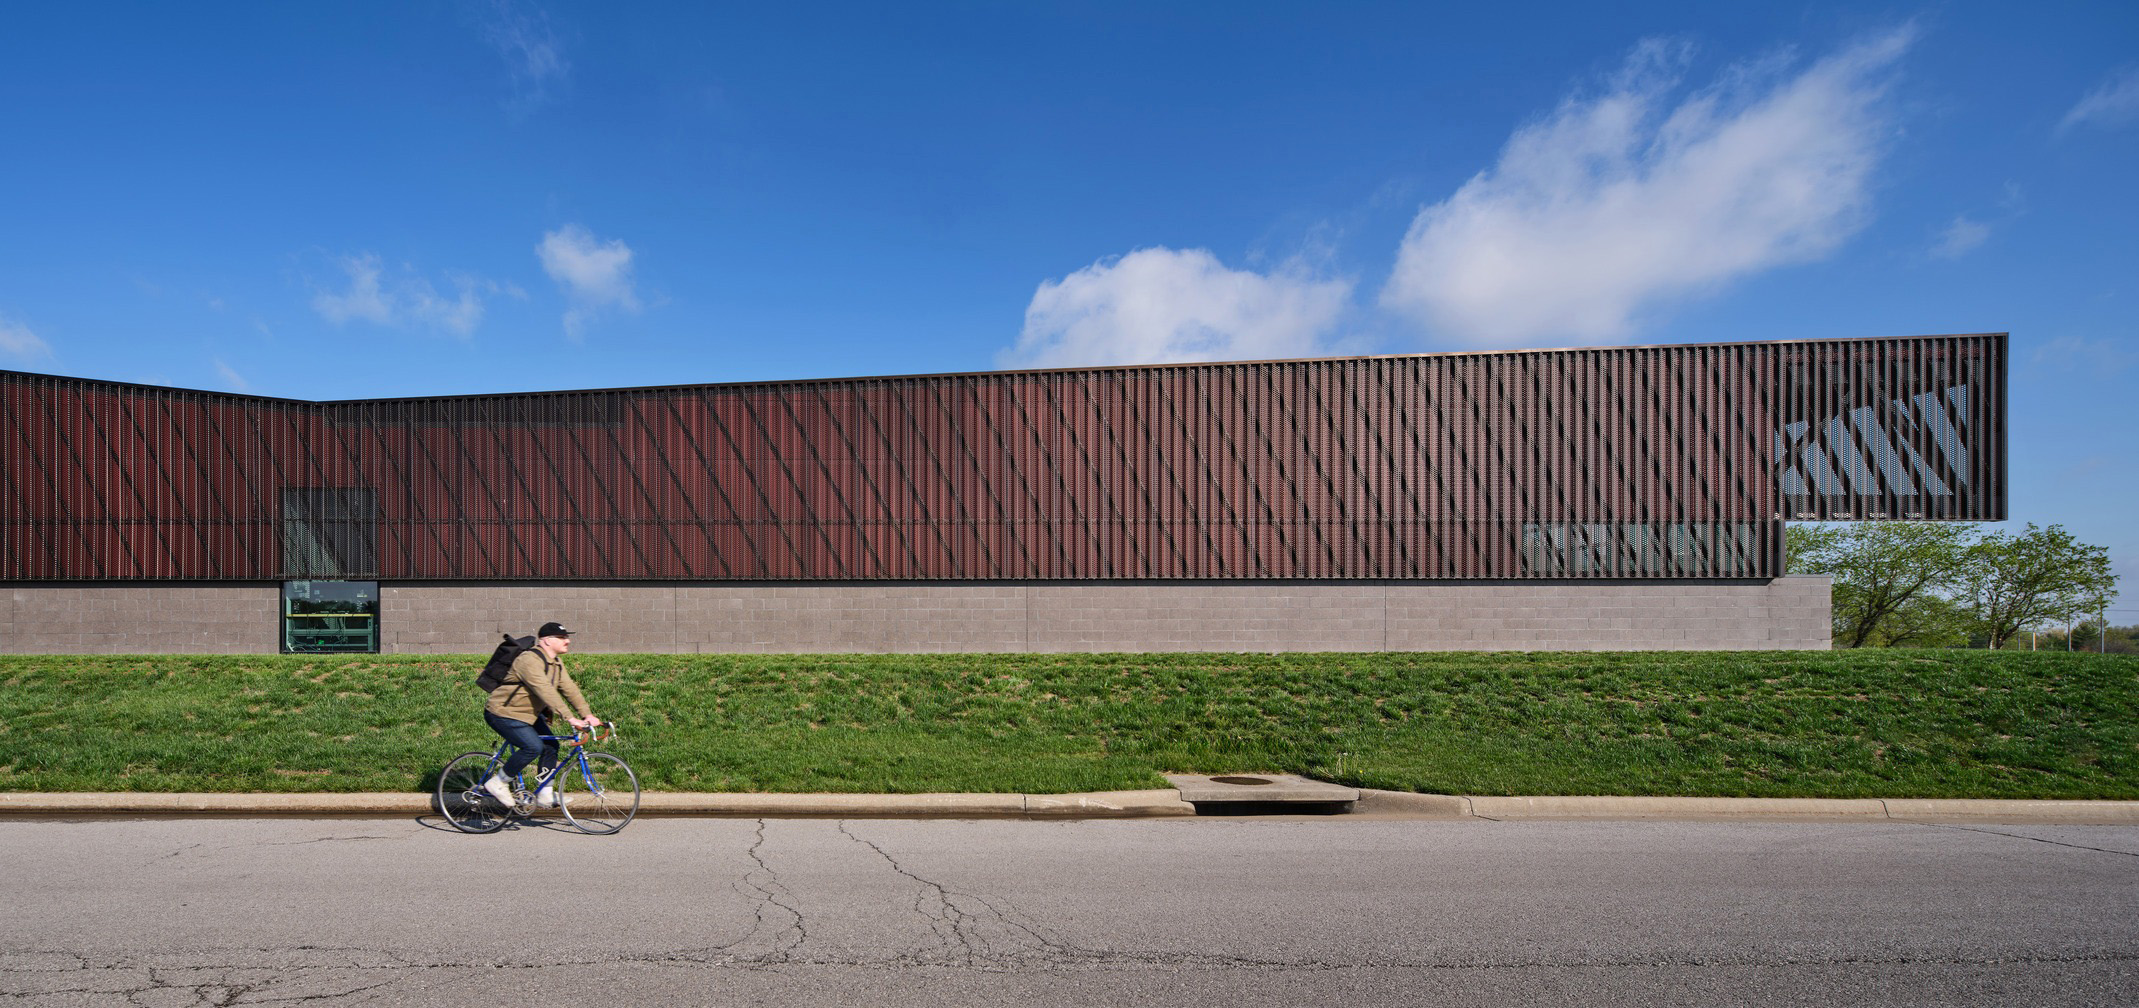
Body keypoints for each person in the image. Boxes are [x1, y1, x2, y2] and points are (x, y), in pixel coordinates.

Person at [481, 621, 602, 809]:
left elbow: (569, 689)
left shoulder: (555, 663)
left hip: (526, 714)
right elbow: (545, 690)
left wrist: (587, 714)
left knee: (550, 745)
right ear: (546, 641)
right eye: (562, 637)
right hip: (503, 712)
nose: (567, 641)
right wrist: (570, 717)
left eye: (567, 637)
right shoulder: (528, 660)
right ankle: (498, 782)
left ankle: (545, 793)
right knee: (533, 747)